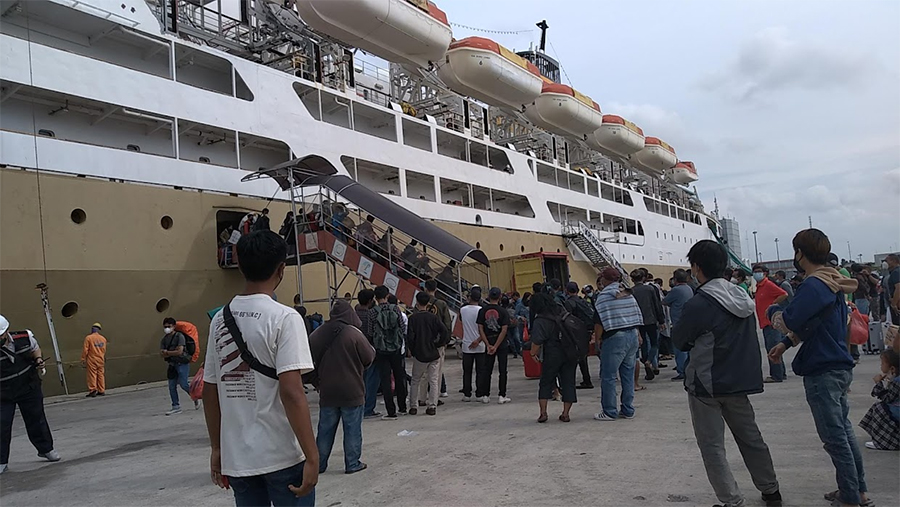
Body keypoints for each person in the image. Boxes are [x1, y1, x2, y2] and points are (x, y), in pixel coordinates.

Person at [202, 230, 318, 506]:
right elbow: (292, 392)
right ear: (282, 269)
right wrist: (313, 457)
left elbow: (210, 390)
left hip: (239, 458)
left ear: (240, 265)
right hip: (282, 456)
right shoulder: (285, 318)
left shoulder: (220, 319)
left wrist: (217, 448)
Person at [672, 240, 782, 507]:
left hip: (706, 384)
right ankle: (771, 490)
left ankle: (731, 500)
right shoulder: (743, 296)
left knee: (712, 447)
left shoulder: (700, 303)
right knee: (751, 438)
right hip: (740, 381)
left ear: (697, 268)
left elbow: (680, 340)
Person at [768, 229, 871, 507]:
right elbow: (817, 323)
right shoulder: (833, 281)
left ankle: (850, 497)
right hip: (838, 363)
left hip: (822, 369)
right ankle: (857, 490)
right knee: (843, 432)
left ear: (800, 253)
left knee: (834, 438)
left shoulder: (814, 285)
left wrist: (771, 313)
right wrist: (787, 344)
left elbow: (790, 319)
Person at [310, 299, 374, 474]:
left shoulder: (317, 334)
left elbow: (307, 362)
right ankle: (352, 463)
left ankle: (319, 464)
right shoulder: (353, 334)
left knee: (325, 430)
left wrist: (317, 381)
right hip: (352, 389)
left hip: (328, 391)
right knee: (352, 428)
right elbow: (369, 357)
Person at [0, 315, 60, 474]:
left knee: (36, 418)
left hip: (28, 387)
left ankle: (46, 449)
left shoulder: (25, 337)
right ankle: (1, 461)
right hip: (3, 394)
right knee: (2, 424)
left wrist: (39, 359)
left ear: (6, 332)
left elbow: (35, 348)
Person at [592, 267, 642, 421]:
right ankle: (628, 409)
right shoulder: (628, 293)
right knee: (627, 374)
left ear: (604, 280)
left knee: (609, 376)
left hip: (615, 337)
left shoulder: (604, 296)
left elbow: (599, 322)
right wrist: (638, 334)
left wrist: (597, 340)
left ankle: (609, 411)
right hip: (632, 334)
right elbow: (635, 314)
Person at [529, 293, 577, 423]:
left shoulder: (541, 319)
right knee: (568, 382)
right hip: (569, 351)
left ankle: (543, 413)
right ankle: (566, 413)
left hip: (552, 352)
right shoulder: (563, 312)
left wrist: (533, 354)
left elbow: (537, 341)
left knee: (546, 382)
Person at [367, 285, 408, 420]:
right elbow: (402, 328)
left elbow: (370, 332)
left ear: (375, 298)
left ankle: (391, 411)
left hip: (381, 349)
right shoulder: (395, 308)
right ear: (388, 296)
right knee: (399, 376)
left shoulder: (372, 312)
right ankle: (402, 407)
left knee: (385, 380)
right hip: (396, 348)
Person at [406, 292, 450, 416]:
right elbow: (444, 331)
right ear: (428, 303)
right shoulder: (433, 317)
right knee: (434, 380)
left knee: (415, 380)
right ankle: (432, 406)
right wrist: (438, 343)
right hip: (433, 352)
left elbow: (410, 337)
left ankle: (414, 406)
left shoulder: (413, 318)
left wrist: (413, 350)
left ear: (417, 302)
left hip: (420, 353)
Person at [752, 264, 789, 383]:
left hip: (770, 322)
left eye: (759, 271)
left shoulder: (767, 285)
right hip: (765, 322)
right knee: (774, 348)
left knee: (772, 348)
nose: (757, 274)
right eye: (755, 271)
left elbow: (784, 294)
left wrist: (773, 304)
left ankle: (776, 375)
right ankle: (780, 373)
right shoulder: (759, 287)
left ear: (765, 273)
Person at [859, 349, 899, 451]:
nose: (880, 366)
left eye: (882, 364)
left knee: (879, 408)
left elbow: (887, 399)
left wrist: (879, 383)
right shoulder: (895, 380)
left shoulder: (896, 382)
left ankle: (883, 442)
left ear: (892, 368)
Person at [477, 287, 511, 404]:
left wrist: (488, 344)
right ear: (500, 297)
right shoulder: (503, 311)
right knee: (503, 370)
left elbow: (480, 329)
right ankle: (502, 395)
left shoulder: (482, 311)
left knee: (487, 370)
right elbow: (504, 330)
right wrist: (496, 345)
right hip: (501, 344)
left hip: (489, 342)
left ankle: (485, 394)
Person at [630, 270, 665, 381]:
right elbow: (657, 305)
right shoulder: (650, 289)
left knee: (643, 343)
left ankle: (645, 360)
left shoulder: (632, 291)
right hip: (651, 319)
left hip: (638, 321)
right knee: (654, 343)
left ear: (632, 280)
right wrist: (661, 320)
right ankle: (649, 361)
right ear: (644, 278)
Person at [160, 317, 197, 415]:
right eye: (165, 327)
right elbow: (162, 353)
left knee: (184, 384)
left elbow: (180, 351)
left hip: (182, 363)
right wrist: (171, 352)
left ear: (174, 326)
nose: (167, 328)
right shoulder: (164, 339)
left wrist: (167, 352)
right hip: (172, 364)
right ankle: (175, 406)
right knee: (171, 386)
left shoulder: (179, 336)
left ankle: (195, 396)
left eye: (169, 326)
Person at [421, 279, 450, 400]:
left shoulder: (421, 303)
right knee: (437, 369)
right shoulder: (442, 304)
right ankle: (437, 394)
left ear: (425, 289)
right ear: (436, 289)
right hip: (438, 340)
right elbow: (447, 324)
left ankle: (422, 395)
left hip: (424, 340)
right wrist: (446, 340)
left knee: (423, 371)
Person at [354, 289, 381, 419]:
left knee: (359, 380)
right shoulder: (371, 315)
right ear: (370, 301)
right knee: (372, 380)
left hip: (354, 352)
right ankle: (368, 408)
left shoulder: (353, 315)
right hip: (370, 350)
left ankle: (358, 406)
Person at [563, 282, 595, 389]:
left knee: (572, 357)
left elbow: (568, 319)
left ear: (567, 290)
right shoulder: (583, 301)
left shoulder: (569, 303)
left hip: (575, 332)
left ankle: (570, 382)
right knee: (582, 357)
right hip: (586, 330)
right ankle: (587, 379)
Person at [664, 269, 694, 381]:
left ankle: (681, 370)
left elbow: (664, 302)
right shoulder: (689, 288)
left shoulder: (676, 290)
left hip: (677, 322)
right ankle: (689, 369)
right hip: (688, 321)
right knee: (689, 348)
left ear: (675, 279)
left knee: (679, 349)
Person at [460, 288, 487, 402]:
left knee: (467, 371)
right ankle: (479, 394)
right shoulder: (482, 310)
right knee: (480, 371)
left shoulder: (463, 310)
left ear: (469, 297)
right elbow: (485, 328)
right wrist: (479, 339)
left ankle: (467, 393)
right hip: (480, 344)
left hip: (467, 344)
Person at [81, 322, 107, 397]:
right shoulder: (103, 339)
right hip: (100, 359)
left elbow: (85, 350)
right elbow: (104, 350)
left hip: (92, 359)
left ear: (92, 329)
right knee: (100, 375)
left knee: (92, 375)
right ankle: (101, 390)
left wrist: (83, 359)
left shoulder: (88, 338)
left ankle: (93, 390)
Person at [881, 253, 900, 325]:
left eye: (887, 260)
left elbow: (898, 288)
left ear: (893, 261)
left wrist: (894, 304)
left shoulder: (896, 272)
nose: (885, 263)